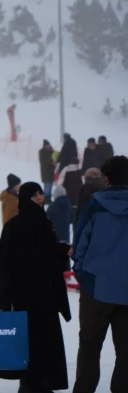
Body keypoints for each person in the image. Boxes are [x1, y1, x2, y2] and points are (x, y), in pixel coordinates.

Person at [0, 182, 72, 393]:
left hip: (42, 293)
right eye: (34, 194)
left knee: (38, 340)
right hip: (28, 294)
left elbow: (46, 252)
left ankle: (37, 384)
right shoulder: (18, 225)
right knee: (32, 340)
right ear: (25, 198)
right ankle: (32, 385)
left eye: (40, 193)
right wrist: (4, 300)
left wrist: (61, 250)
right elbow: (6, 264)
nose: (40, 197)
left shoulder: (43, 223)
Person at [72, 156, 128, 393]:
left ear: (107, 179)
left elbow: (79, 246)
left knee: (89, 346)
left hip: (96, 288)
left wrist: (83, 274)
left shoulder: (94, 205)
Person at [47, 185, 72, 271]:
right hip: (66, 236)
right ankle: (68, 275)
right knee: (66, 256)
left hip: (55, 236)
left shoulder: (52, 206)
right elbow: (71, 219)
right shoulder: (68, 205)